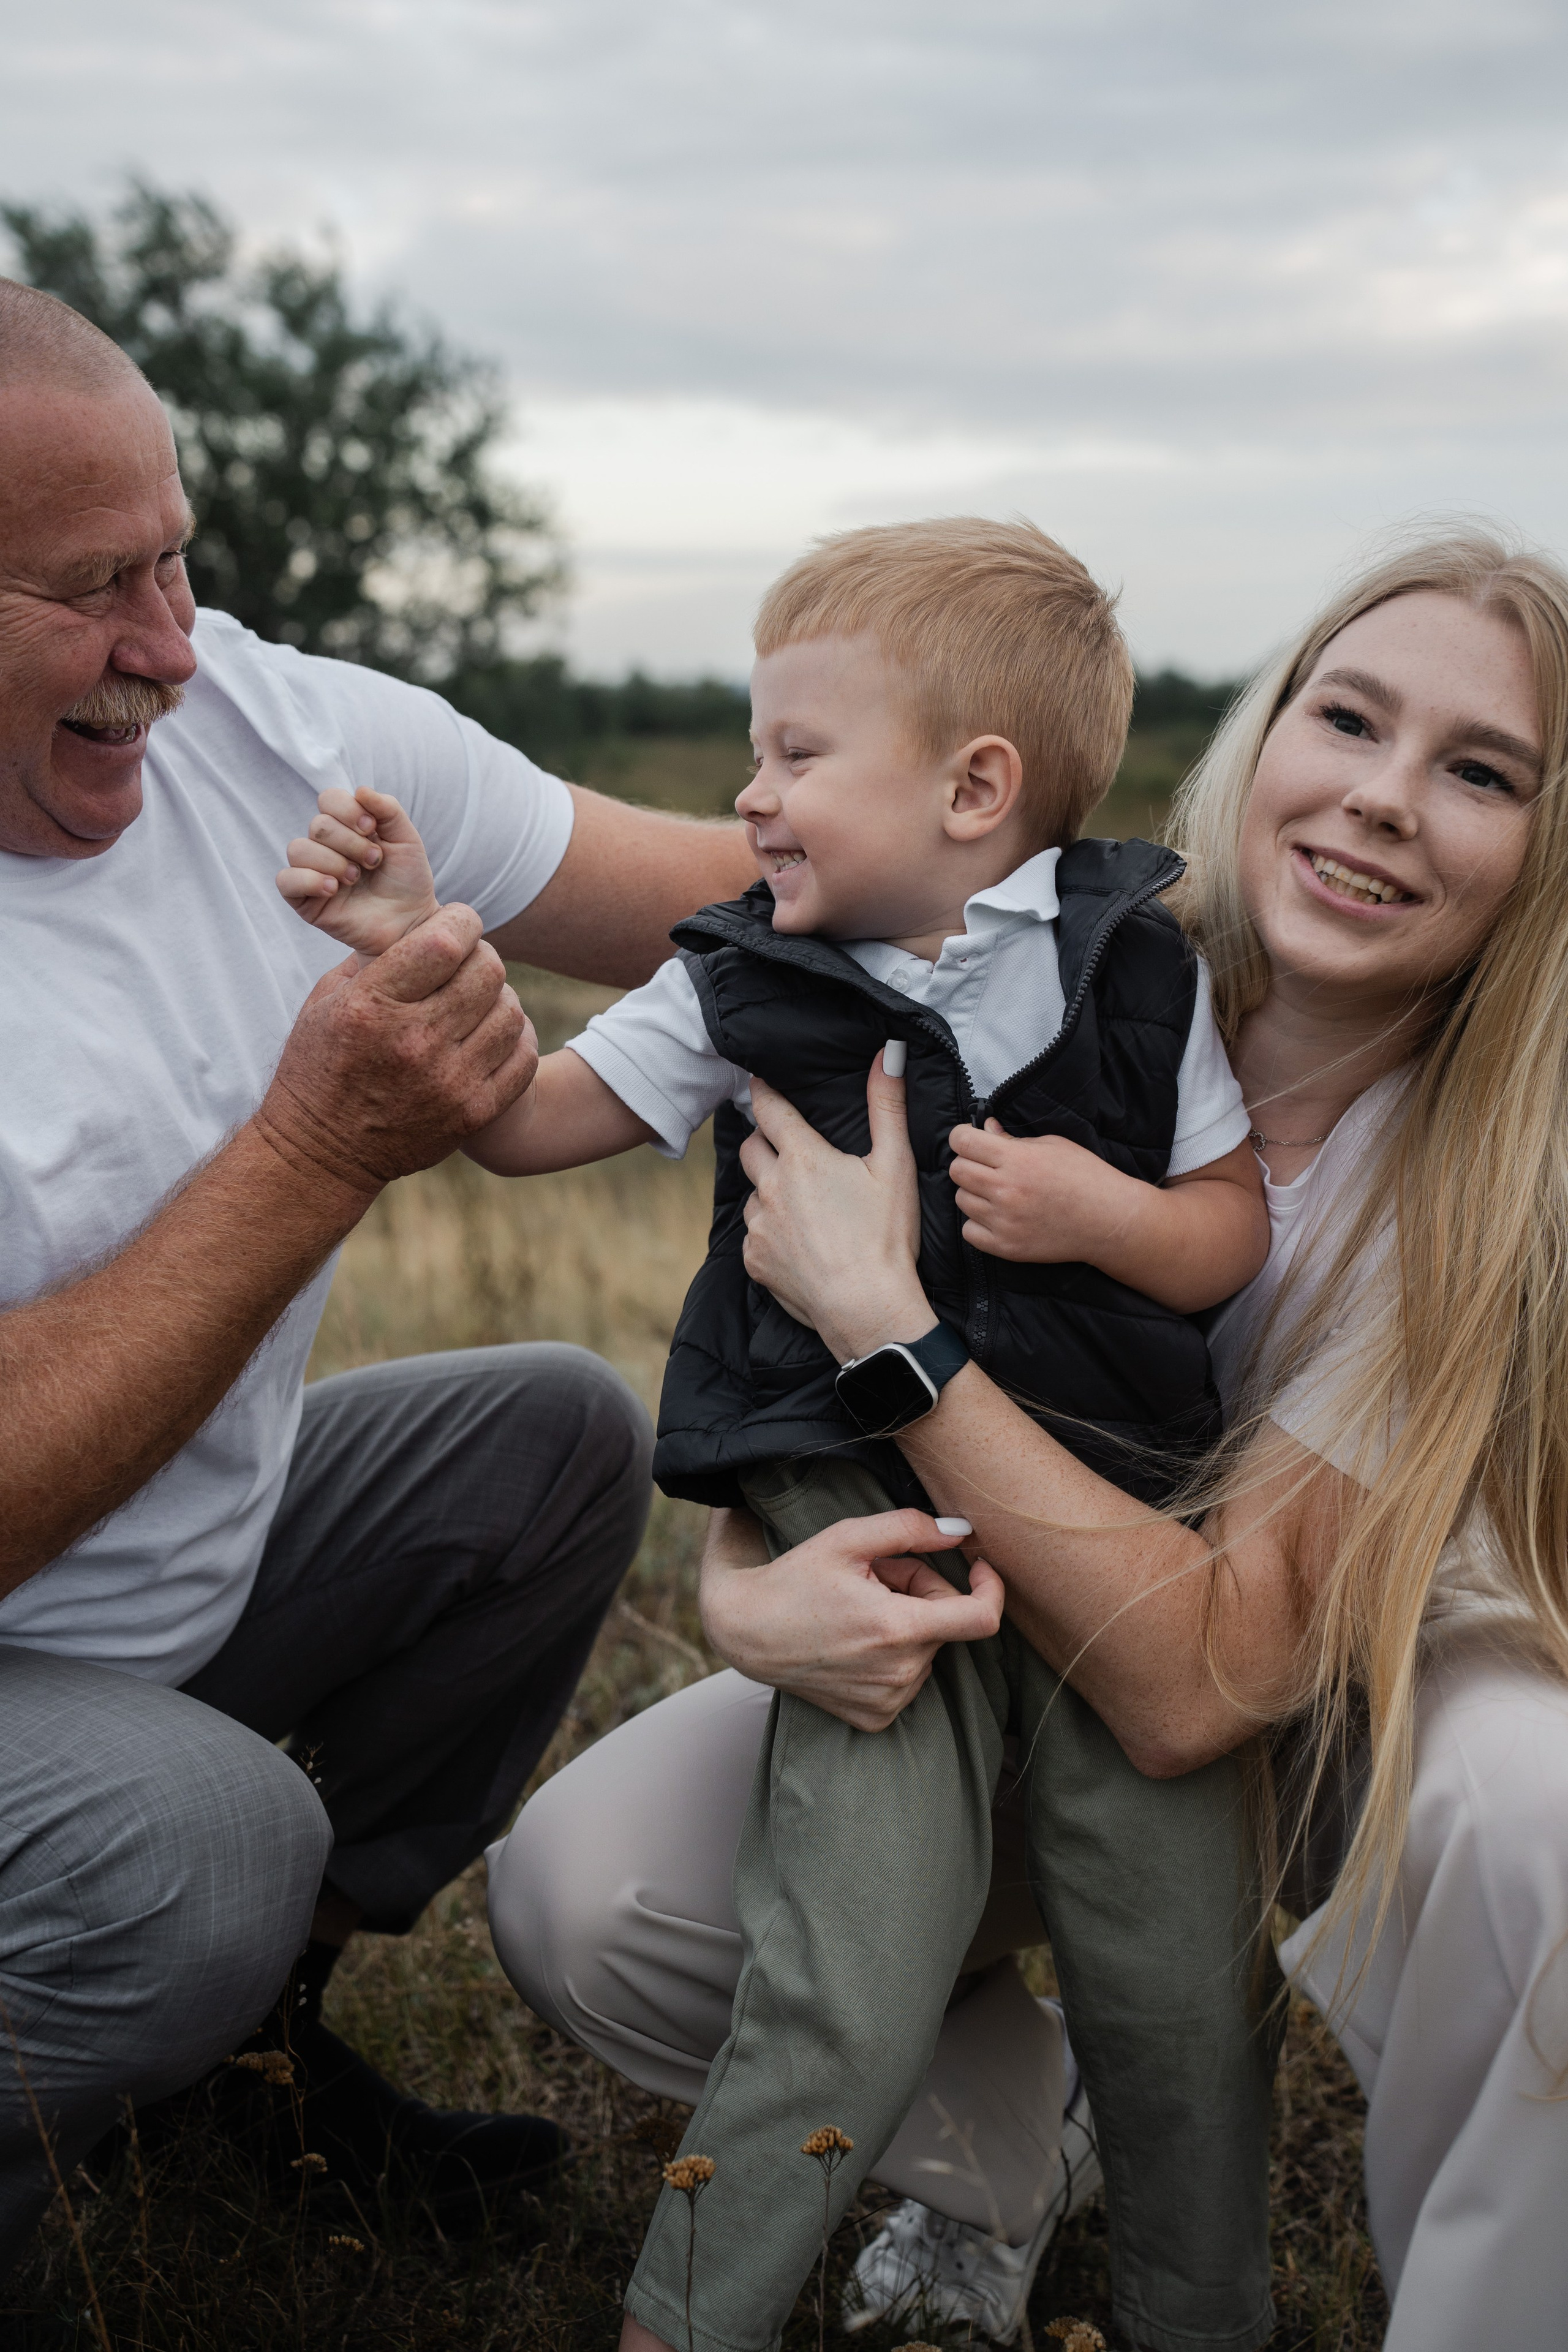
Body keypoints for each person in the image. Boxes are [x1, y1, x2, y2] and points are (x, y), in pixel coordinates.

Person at [491, 526, 1568, 2352]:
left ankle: (1477, 2295)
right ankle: (1008, 2146)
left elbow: (1209, 1681)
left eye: (1481, 773)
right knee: (593, 1896)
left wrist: (886, 1328)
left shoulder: (1490, 1174)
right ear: (1267, 730)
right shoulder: (1074, 960)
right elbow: (727, 915)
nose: (1387, 800)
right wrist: (747, 1591)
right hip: (1013, 1619)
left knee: (1531, 1811)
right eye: (1351, 718)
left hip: (1328, 1715)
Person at [281, 516, 1275, 2343]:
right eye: (750, 751)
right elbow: (526, 1123)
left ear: (978, 788)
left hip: (1110, 1522)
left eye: (796, 755)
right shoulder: (734, 983)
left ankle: (1203, 2311)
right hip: (859, 1538)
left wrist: (1101, 1215)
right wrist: (422, 942)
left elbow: (1226, 1233)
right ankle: (692, 2313)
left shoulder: (1139, 965)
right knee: (846, 1947)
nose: (751, 797)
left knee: (1179, 1969)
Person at [0, 277, 756, 2266]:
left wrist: (1152, 920)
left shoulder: (276, 726)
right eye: (92, 591)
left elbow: (725, 902)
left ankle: (233, 2065)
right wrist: (316, 1148)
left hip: (150, 1621)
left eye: (177, 554)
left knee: (547, 1443)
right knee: (198, 1842)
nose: (170, 649)